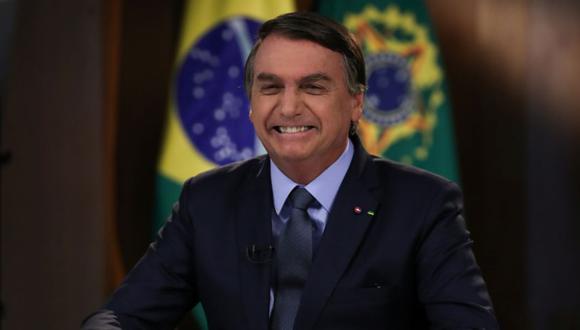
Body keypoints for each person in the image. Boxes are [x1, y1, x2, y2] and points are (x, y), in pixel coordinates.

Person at [83, 12, 498, 330]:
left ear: (356, 103)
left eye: (313, 87)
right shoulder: (207, 201)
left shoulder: (422, 205)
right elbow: (121, 317)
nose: (288, 107)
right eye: (270, 87)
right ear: (250, 102)